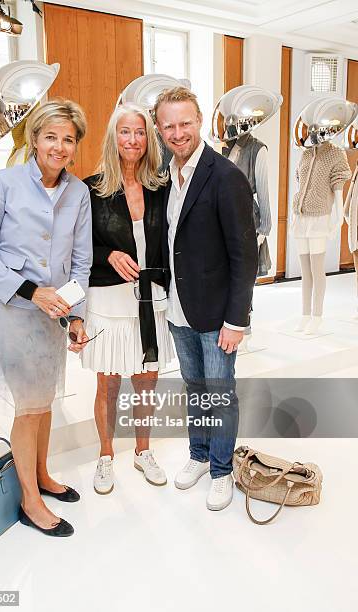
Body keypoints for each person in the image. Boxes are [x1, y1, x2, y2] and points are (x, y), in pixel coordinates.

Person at [0, 99, 92, 537]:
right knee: (29, 406)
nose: (59, 146)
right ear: (35, 139)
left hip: (54, 315)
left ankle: (41, 473)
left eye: (68, 139)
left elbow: (81, 260)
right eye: (51, 136)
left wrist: (76, 316)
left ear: (76, 147)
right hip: (15, 311)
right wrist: (31, 291)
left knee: (46, 399)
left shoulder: (78, 192)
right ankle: (29, 500)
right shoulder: (3, 184)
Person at [154, 87, 258, 511]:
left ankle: (221, 469)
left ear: (199, 122)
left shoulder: (225, 175)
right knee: (195, 388)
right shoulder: (167, 175)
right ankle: (198, 455)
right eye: (169, 126)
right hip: (180, 307)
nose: (178, 133)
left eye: (185, 123)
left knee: (219, 391)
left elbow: (243, 253)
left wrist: (237, 320)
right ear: (159, 130)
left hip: (217, 314)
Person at [81, 103, 174, 494]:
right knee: (108, 384)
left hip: (150, 299)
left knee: (146, 381)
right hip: (107, 301)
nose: (133, 139)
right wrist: (108, 255)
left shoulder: (161, 187)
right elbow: (78, 249)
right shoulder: (91, 188)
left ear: (148, 138)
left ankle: (142, 452)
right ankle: (105, 456)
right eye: (125, 132)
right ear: (113, 137)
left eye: (139, 132)